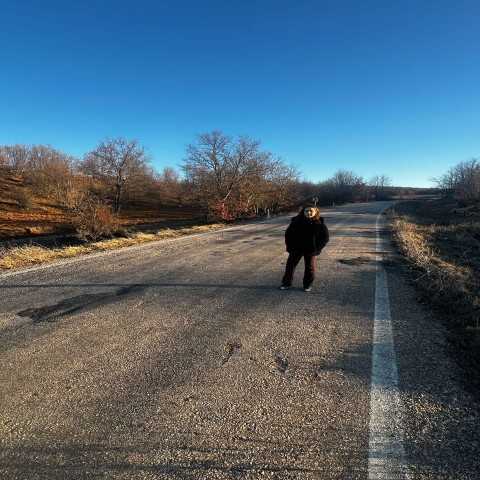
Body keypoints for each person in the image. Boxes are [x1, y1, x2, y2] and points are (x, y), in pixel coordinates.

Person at [279, 204, 329, 292]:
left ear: (316, 212)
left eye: (311, 211)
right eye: (306, 211)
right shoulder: (296, 222)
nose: (308, 212)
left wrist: (317, 247)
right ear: (303, 212)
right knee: (290, 266)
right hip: (296, 248)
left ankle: (307, 285)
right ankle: (286, 283)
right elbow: (288, 234)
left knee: (309, 267)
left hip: (311, 249)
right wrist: (290, 245)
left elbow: (325, 238)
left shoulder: (319, 224)